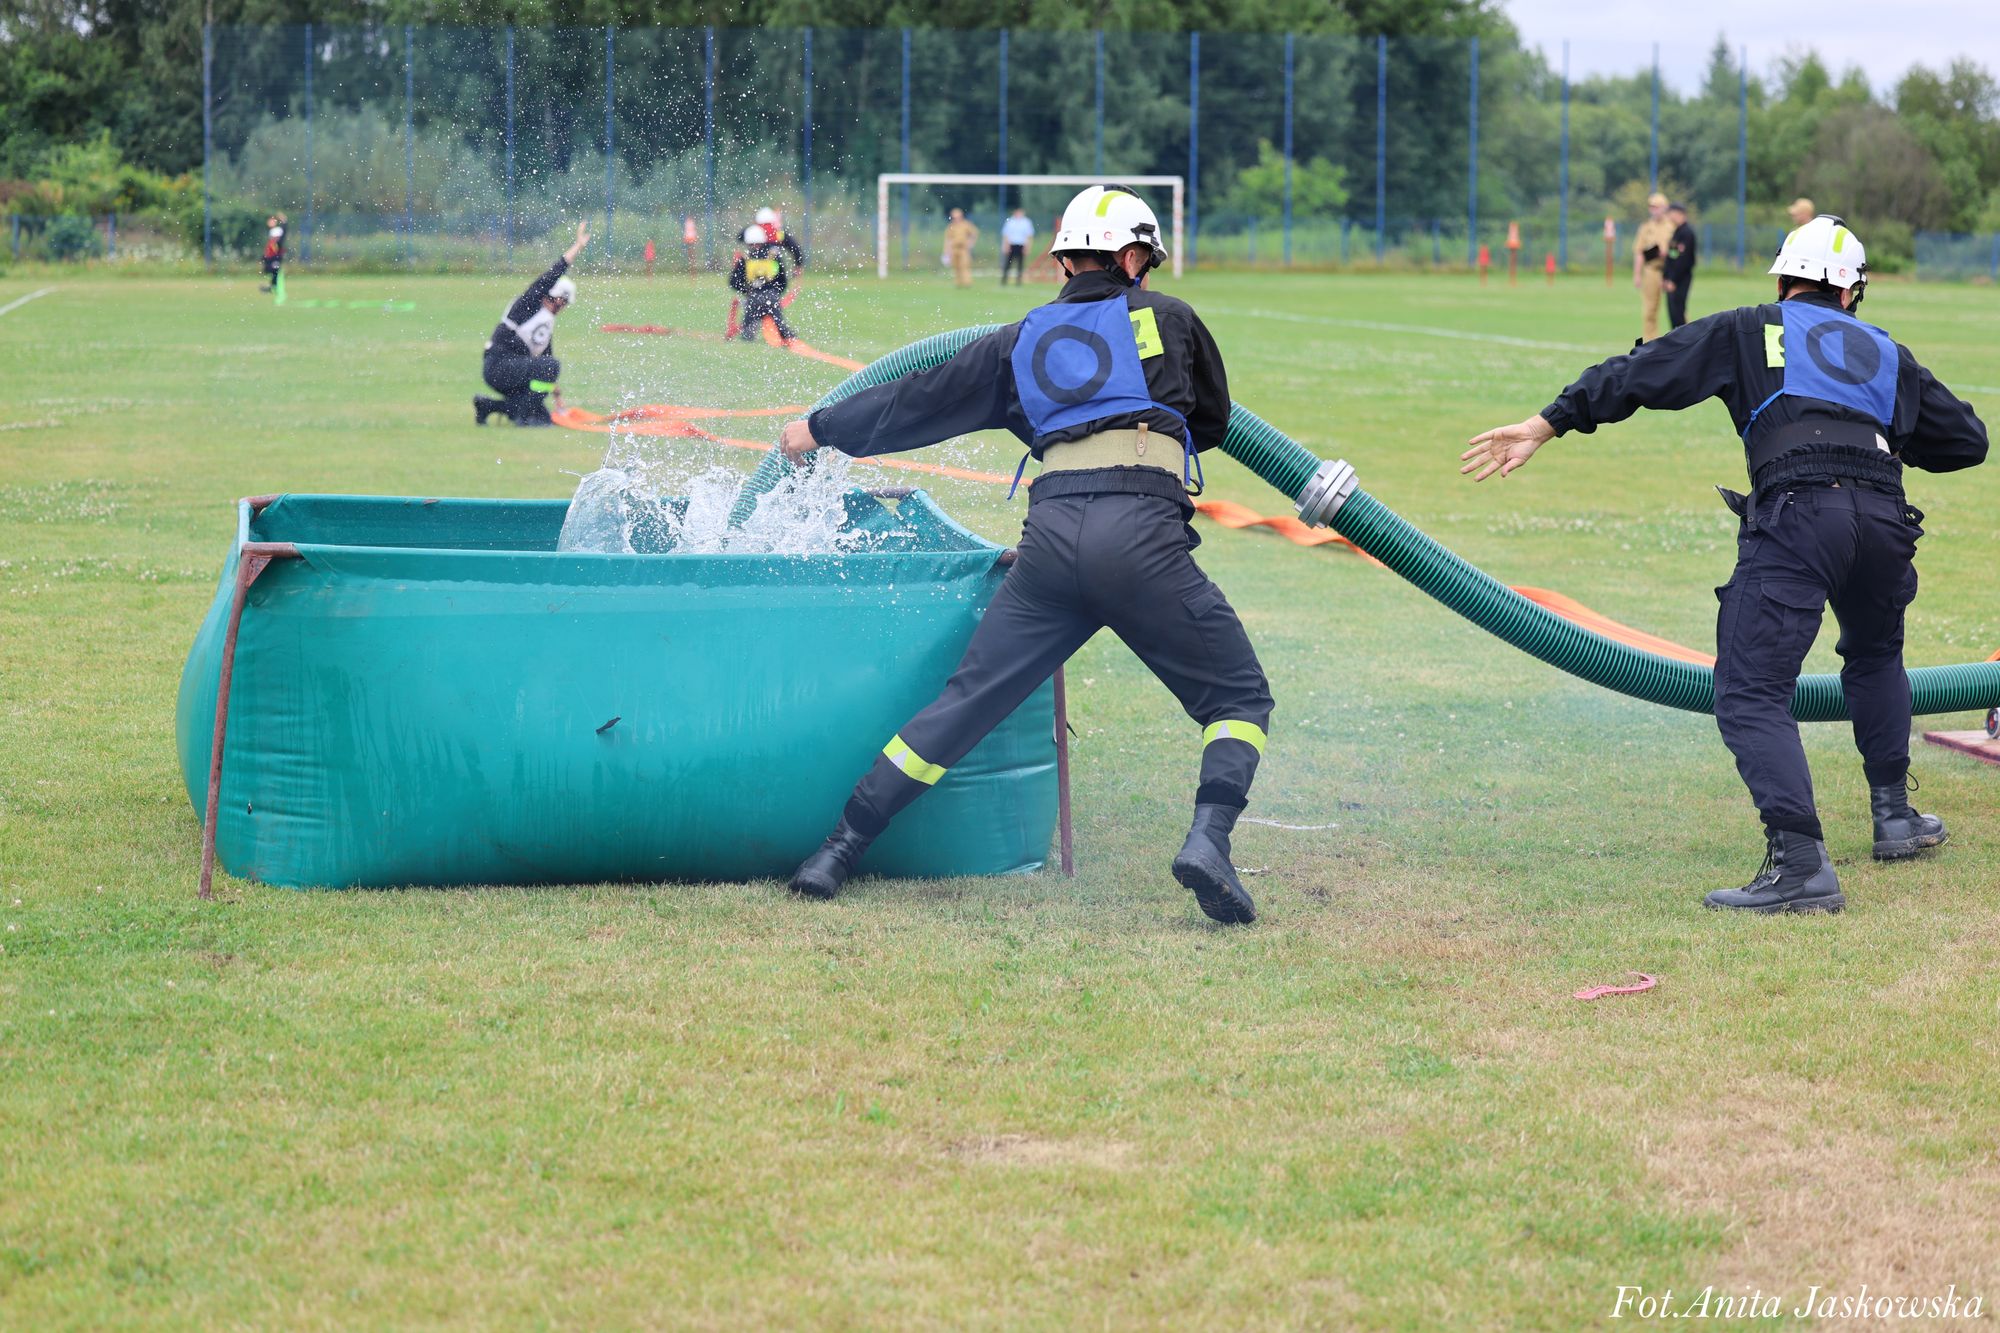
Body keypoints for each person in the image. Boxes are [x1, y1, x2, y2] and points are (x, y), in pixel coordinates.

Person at [1460, 215, 1987, 914]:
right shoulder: (1888, 352)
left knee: (1750, 689)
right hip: (1885, 520)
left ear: (1781, 279)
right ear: (1853, 294)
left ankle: (1800, 864)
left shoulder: (1750, 328)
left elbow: (1644, 371)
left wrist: (1549, 420)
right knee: (1876, 657)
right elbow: (1968, 440)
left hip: (1801, 511)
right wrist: (1882, 435)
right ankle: (1894, 816)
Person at [776, 184, 1273, 925]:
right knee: (1237, 696)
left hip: (1049, 543)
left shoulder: (1018, 340)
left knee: (961, 705)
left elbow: (919, 399)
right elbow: (1209, 423)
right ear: (1135, 257)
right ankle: (1208, 840)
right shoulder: (1171, 317)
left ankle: (837, 850)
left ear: (1064, 261)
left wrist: (817, 427)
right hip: (1141, 536)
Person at [475, 220, 588, 427]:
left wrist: (557, 396)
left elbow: (545, 360)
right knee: (549, 372)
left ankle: (487, 406)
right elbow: (551, 275)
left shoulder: (546, 323)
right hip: (498, 366)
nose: (563, 308)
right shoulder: (527, 305)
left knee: (542, 414)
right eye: (563, 303)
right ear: (555, 297)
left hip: (510, 370)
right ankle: (523, 418)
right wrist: (577, 247)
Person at [729, 224, 798, 343]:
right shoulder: (773, 257)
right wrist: (776, 292)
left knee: (748, 331)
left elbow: (734, 282)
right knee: (779, 322)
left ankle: (749, 333)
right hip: (772, 296)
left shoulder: (745, 258)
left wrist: (746, 291)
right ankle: (787, 336)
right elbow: (782, 279)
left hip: (753, 298)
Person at [1633, 192, 1674, 342]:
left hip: (1669, 271)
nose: (1654, 210)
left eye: (1657, 207)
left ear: (1665, 208)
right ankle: (1651, 342)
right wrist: (1637, 275)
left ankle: (1682, 341)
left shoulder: (1672, 226)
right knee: (1650, 310)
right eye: (1651, 207)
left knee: (1675, 307)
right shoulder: (1645, 227)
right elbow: (1639, 253)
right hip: (1652, 271)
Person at [1663, 203, 1698, 329]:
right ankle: (1675, 341)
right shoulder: (1677, 232)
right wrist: (1666, 277)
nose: (1669, 217)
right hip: (1672, 279)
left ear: (1679, 214)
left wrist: (1673, 280)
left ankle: (1683, 343)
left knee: (1678, 313)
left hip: (1680, 279)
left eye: (1671, 213)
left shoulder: (1686, 233)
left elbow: (1683, 261)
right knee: (1673, 313)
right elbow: (1672, 256)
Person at [755, 206, 807, 274]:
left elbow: (740, 237)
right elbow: (795, 248)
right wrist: (798, 264)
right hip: (775, 271)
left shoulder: (754, 232)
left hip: (756, 270)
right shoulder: (778, 234)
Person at [943, 207, 979, 287]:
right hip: (954, 248)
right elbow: (948, 239)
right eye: (954, 217)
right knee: (956, 267)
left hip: (963, 248)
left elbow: (974, 233)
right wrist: (947, 251)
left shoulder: (966, 224)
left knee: (964, 265)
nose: (956, 219)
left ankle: (967, 282)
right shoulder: (951, 226)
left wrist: (971, 243)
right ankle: (958, 282)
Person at [999, 207, 1035, 285]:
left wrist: (1028, 247)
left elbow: (1029, 236)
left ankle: (1018, 281)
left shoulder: (1026, 222)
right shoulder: (1010, 221)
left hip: (1021, 245)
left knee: (1020, 264)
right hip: (1011, 245)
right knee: (1008, 263)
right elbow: (1006, 235)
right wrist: (1006, 246)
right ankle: (1004, 280)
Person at [259, 213, 287, 296]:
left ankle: (273, 287)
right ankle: (272, 287)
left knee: (274, 271)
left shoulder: (278, 230)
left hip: (276, 256)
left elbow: (281, 238)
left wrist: (284, 221)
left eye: (272, 220)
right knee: (270, 270)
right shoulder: (271, 231)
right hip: (271, 256)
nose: (270, 222)